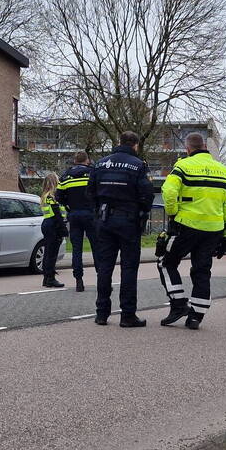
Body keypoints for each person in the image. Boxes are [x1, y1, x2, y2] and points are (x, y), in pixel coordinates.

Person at [158, 132, 226, 330]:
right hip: (214, 229)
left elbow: (168, 191)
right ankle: (196, 317)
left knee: (166, 263)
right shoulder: (224, 171)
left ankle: (178, 304)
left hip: (187, 226)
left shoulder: (183, 166)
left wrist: (173, 214)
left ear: (188, 148)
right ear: (205, 147)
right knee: (202, 270)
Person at [90, 131, 154, 327]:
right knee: (128, 267)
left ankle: (101, 313)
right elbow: (147, 194)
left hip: (104, 220)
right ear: (134, 145)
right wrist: (141, 211)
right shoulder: (138, 165)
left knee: (105, 267)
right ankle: (127, 315)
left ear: (118, 142)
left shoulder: (100, 164)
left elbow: (90, 192)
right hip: (128, 221)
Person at [57, 151, 96, 292]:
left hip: (74, 215)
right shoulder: (93, 173)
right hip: (91, 215)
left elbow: (59, 197)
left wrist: (69, 205)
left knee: (76, 250)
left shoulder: (65, 176)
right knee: (97, 248)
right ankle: (102, 278)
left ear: (74, 161)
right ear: (87, 160)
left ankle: (79, 280)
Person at [40, 173, 68, 288]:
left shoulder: (45, 195)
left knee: (48, 253)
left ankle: (46, 278)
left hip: (47, 224)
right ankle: (50, 278)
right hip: (54, 225)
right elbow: (57, 214)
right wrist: (63, 229)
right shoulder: (53, 197)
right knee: (52, 254)